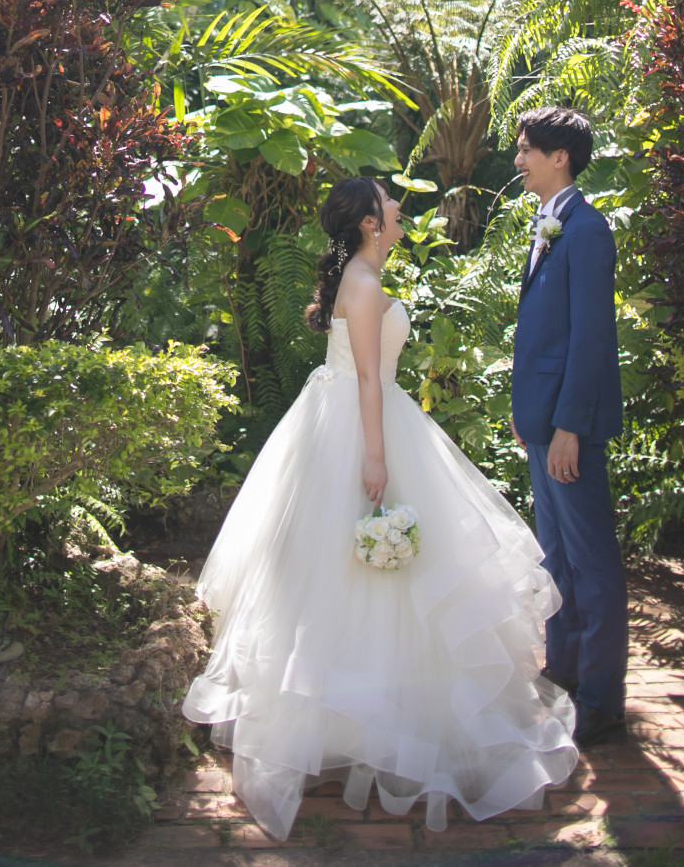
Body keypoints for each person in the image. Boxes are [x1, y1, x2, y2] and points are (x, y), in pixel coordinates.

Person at [183, 176, 577, 842]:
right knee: (356, 575)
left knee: (375, 581)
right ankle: (348, 727)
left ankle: (359, 722)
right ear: (370, 221)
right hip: (360, 424)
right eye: (390, 204)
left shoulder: (365, 273)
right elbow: (368, 375)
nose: (398, 209)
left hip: (366, 414)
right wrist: (375, 457)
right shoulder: (363, 285)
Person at [512, 106, 628, 748]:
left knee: (591, 559)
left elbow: (590, 340)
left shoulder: (584, 231)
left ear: (561, 156)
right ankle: (564, 671)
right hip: (542, 420)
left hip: (568, 427)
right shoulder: (547, 223)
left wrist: (567, 428)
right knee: (557, 556)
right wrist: (528, 409)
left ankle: (603, 698)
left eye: (528, 148)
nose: (519, 159)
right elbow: (541, 332)